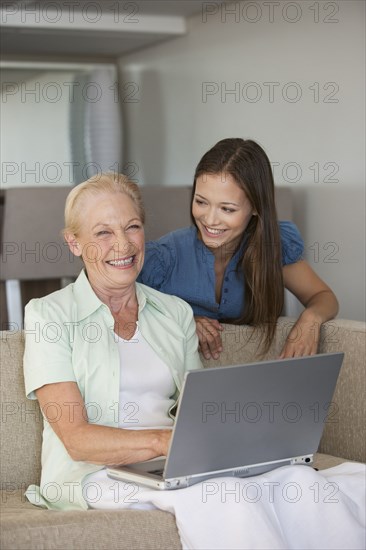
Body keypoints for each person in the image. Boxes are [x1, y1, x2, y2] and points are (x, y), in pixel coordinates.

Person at [23, 173, 202, 511]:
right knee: (219, 501)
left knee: (297, 480)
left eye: (132, 227)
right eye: (103, 232)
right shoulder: (49, 316)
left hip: (167, 466)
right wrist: (165, 442)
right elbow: (77, 440)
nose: (123, 245)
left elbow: (199, 412)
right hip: (94, 475)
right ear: (74, 243)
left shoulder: (175, 312)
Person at [138, 138, 339, 360]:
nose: (210, 220)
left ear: (255, 207)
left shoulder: (272, 246)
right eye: (201, 202)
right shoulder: (163, 257)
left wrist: (310, 319)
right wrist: (181, 320)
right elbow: (118, 314)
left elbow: (323, 296)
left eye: (227, 208)